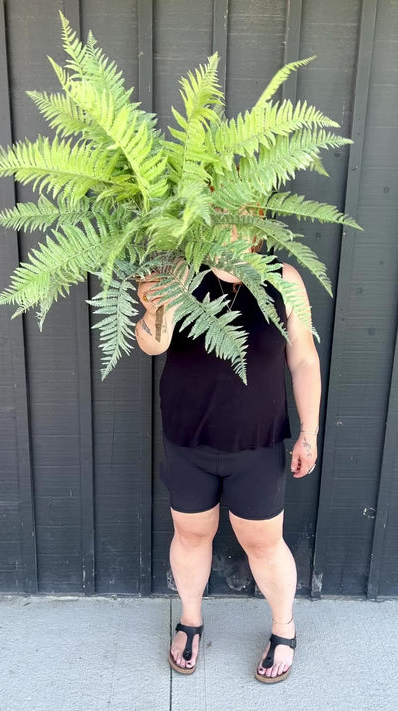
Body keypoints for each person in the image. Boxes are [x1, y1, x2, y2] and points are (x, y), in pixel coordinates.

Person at [134, 232, 321, 683]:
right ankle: (191, 620)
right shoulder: (178, 273)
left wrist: (309, 433)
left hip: (257, 445)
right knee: (191, 534)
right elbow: (151, 345)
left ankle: (284, 628)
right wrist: (154, 305)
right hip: (188, 440)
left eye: (239, 213)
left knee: (263, 544)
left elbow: (304, 360)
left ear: (256, 216)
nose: (228, 225)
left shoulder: (284, 279)